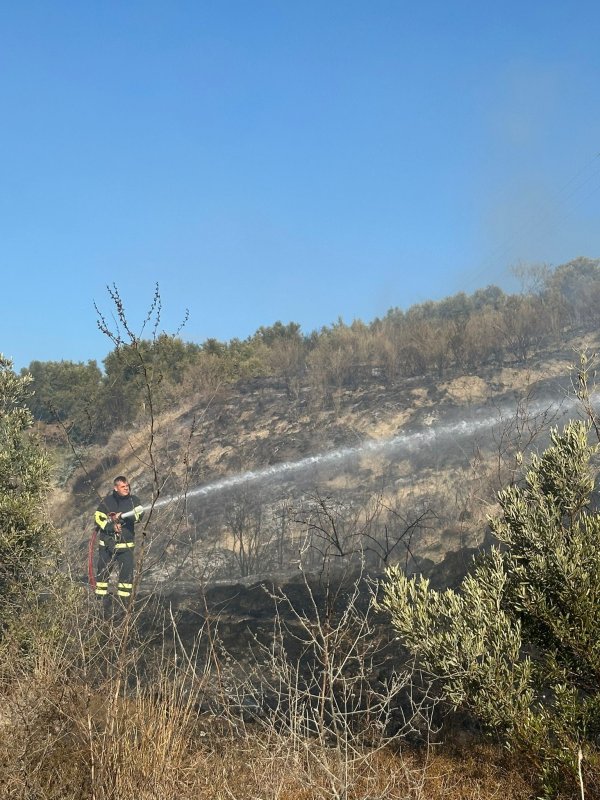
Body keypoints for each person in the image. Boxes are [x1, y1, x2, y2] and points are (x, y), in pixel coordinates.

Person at [94, 476, 144, 600]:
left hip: (125, 546)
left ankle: (124, 602)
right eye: (123, 487)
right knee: (103, 572)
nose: (126, 488)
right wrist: (112, 527)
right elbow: (98, 518)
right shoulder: (108, 501)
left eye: (127, 486)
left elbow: (139, 515)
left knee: (126, 576)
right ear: (115, 488)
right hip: (107, 545)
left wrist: (123, 517)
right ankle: (99, 599)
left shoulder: (134, 500)